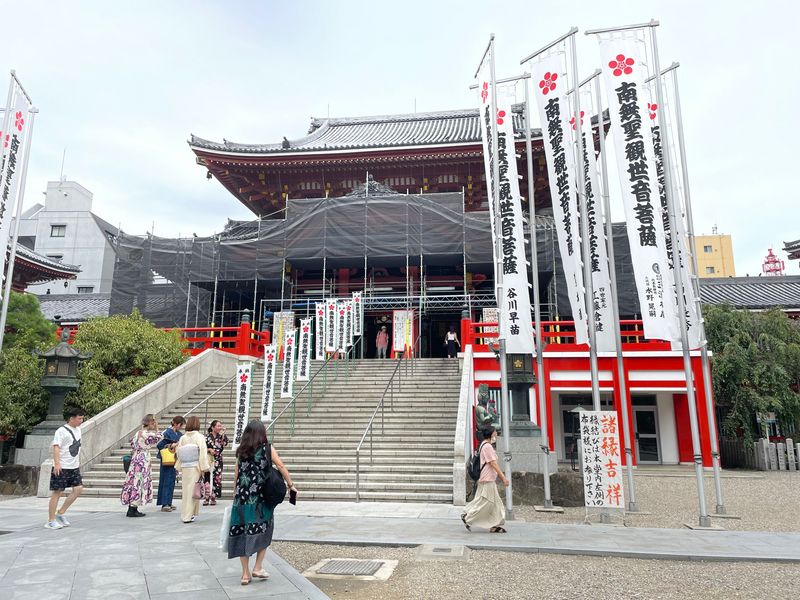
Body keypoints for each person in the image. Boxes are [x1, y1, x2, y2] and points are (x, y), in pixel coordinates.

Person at [229, 420, 296, 586]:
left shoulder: (240, 451)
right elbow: (280, 465)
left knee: (242, 534)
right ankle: (258, 567)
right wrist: (290, 484)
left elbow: (237, 474)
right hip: (261, 500)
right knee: (265, 530)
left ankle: (245, 574)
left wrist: (235, 493)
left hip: (242, 499)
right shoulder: (267, 448)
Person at [461, 426, 508, 533]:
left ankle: (494, 525)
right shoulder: (487, 447)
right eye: (495, 432)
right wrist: (503, 477)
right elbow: (493, 463)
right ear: (491, 434)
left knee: (492, 502)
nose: (496, 434)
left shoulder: (484, 445)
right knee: (486, 502)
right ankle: (467, 517)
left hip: (486, 478)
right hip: (488, 478)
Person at [46, 407, 86, 530]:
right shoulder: (61, 431)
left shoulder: (78, 430)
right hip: (62, 466)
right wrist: (57, 464)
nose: (81, 421)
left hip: (73, 466)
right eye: (79, 418)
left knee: (78, 489)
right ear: (71, 418)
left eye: (82, 418)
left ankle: (61, 513)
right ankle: (51, 520)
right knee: (57, 492)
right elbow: (56, 447)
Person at [120, 414, 163, 517]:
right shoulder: (146, 434)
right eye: (153, 422)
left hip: (136, 458)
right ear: (149, 422)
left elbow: (132, 443)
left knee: (134, 481)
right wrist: (157, 428)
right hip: (143, 459)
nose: (154, 424)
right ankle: (133, 507)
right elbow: (159, 437)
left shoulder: (138, 433)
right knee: (139, 481)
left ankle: (133, 506)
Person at [175, 415, 210, 523]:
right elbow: (203, 453)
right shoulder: (199, 437)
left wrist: (178, 465)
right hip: (195, 466)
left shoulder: (183, 438)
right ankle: (187, 516)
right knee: (193, 490)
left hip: (186, 466)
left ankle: (190, 513)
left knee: (187, 491)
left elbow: (178, 452)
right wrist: (204, 467)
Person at [156, 415, 185, 512]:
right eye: (180, 425)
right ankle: (164, 503)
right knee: (166, 480)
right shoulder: (167, 432)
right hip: (167, 459)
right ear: (176, 424)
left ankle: (168, 501)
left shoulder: (179, 434)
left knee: (172, 480)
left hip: (174, 458)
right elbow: (160, 445)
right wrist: (171, 445)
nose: (180, 427)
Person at [204, 419, 229, 506]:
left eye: (220, 426)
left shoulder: (221, 436)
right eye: (218, 426)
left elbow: (225, 443)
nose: (219, 427)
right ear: (212, 427)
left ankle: (214, 496)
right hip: (209, 458)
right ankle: (207, 497)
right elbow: (202, 448)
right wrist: (209, 449)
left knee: (217, 478)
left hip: (218, 459)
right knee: (207, 477)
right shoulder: (207, 437)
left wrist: (222, 436)